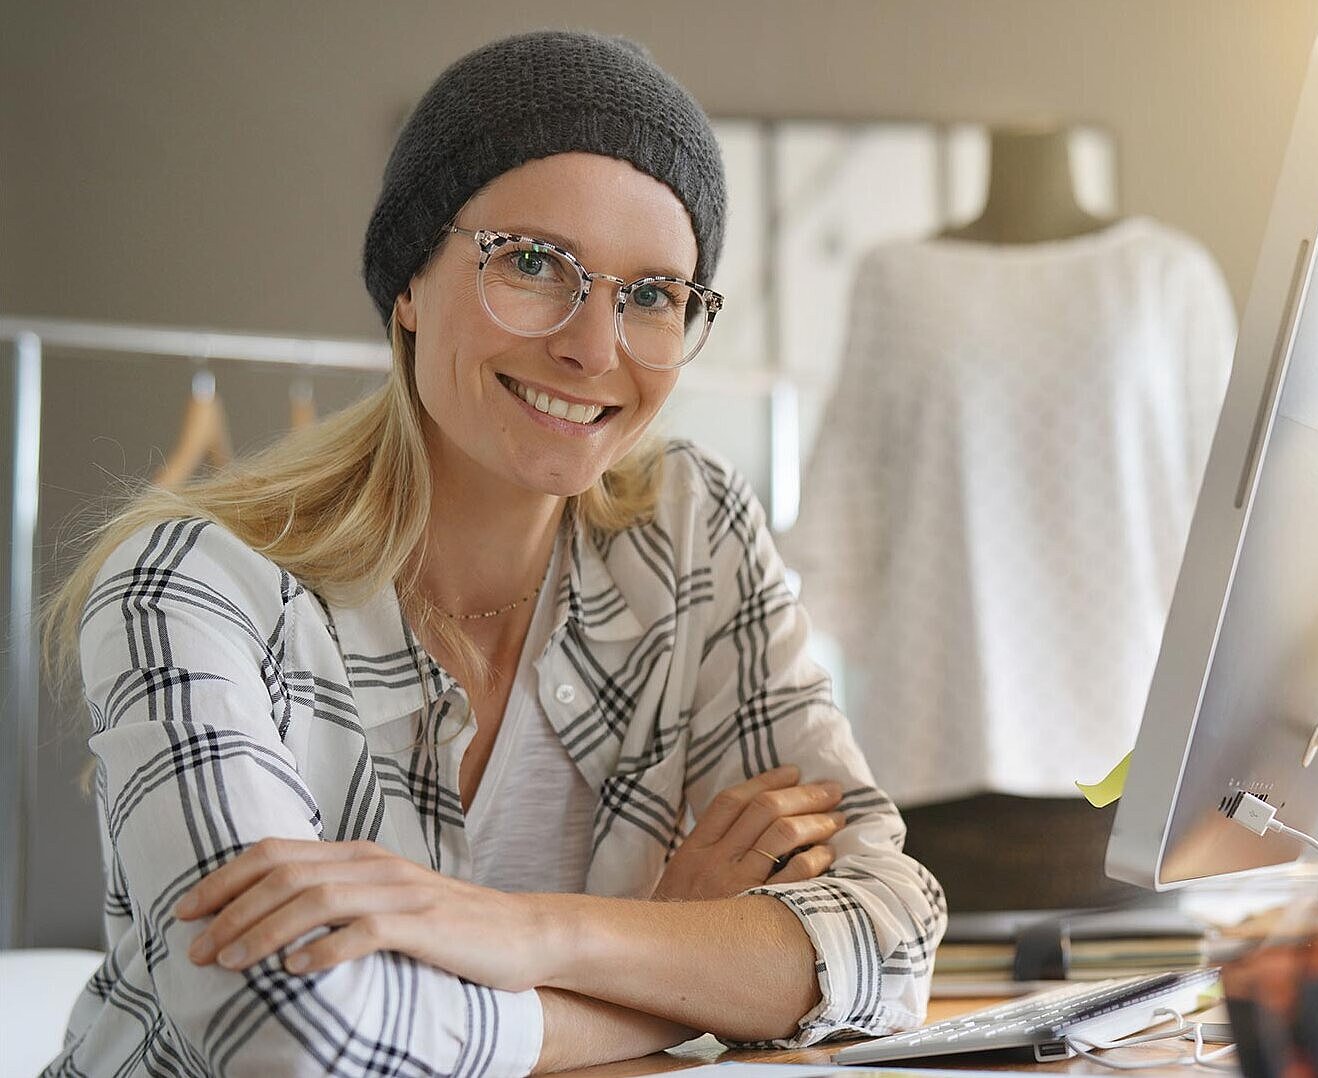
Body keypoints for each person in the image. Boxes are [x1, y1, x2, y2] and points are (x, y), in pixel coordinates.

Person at [39, 29, 944, 1077]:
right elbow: (289, 1032)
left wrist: (539, 931)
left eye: (651, 295)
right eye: (531, 262)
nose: (594, 348)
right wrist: (678, 972)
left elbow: (893, 938)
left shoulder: (693, 531)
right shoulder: (188, 589)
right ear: (411, 282)